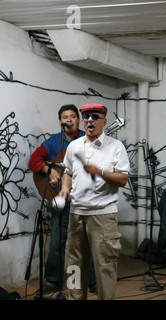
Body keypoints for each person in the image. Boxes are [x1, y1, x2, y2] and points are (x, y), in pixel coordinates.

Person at [59, 103, 130, 300]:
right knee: (74, 264)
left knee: (105, 266)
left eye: (95, 117)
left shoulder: (116, 147)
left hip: (103, 215)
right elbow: (68, 172)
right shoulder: (74, 146)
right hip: (76, 213)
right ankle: (75, 297)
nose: (90, 120)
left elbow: (123, 179)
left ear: (104, 121)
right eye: (87, 117)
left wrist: (101, 172)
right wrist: (65, 188)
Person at [28, 104, 96, 293]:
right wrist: (48, 171)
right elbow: (34, 161)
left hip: (83, 199)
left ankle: (93, 281)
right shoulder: (53, 143)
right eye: (65, 117)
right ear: (60, 121)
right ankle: (53, 280)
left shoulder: (87, 139)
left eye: (73, 116)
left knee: (87, 239)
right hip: (59, 198)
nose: (69, 120)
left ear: (78, 120)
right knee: (57, 239)